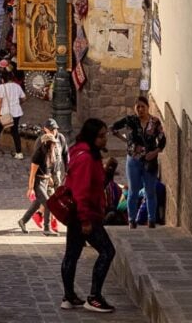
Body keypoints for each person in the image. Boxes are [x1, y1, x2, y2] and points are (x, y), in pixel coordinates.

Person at [61, 118, 116, 314]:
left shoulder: (84, 154)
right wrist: (85, 220)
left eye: (105, 135)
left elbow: (93, 185)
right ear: (92, 137)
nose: (104, 139)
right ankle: (94, 297)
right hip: (84, 215)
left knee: (72, 254)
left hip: (80, 214)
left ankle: (69, 296)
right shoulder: (85, 158)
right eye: (101, 136)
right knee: (108, 251)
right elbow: (81, 192)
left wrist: (107, 174)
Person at [112, 95, 166, 229]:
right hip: (133, 160)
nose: (140, 109)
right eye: (138, 107)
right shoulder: (130, 120)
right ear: (135, 108)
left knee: (150, 190)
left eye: (143, 107)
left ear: (148, 107)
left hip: (149, 161)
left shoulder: (155, 122)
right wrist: (126, 142)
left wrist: (154, 152)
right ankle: (131, 220)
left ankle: (151, 220)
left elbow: (162, 139)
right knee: (133, 191)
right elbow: (114, 128)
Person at [18, 129, 58, 235]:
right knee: (48, 203)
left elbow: (48, 169)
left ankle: (22, 221)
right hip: (38, 182)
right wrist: (30, 189)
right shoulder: (38, 154)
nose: (54, 145)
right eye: (52, 143)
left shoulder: (50, 153)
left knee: (36, 205)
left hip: (45, 181)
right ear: (46, 143)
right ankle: (46, 228)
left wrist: (49, 178)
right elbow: (32, 173)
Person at [0, 71, 25, 158]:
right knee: (15, 132)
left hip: (5, 112)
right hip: (16, 112)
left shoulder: (1, 87)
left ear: (2, 79)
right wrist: (18, 103)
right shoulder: (17, 86)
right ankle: (19, 152)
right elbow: (23, 98)